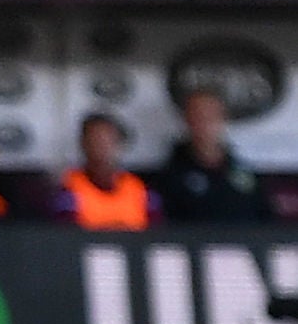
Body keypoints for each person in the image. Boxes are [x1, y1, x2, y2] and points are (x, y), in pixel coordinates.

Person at [156, 87, 271, 223]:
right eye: (198, 115)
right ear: (187, 119)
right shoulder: (170, 175)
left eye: (212, 115)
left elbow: (266, 223)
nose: (205, 122)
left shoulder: (244, 174)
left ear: (224, 119)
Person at [57, 112, 153, 230]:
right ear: (83, 143)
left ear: (119, 143)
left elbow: (158, 233)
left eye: (107, 139)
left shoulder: (139, 190)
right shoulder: (69, 187)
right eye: (94, 139)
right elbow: (63, 234)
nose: (101, 146)